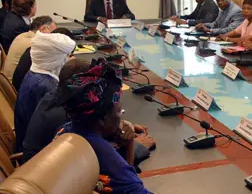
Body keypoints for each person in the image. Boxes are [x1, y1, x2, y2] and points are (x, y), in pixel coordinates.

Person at [57, 62, 162, 194]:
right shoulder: (105, 157)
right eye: (120, 110)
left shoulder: (66, 131)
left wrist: (129, 144)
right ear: (101, 120)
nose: (122, 115)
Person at [22, 58, 156, 163]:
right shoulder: (66, 120)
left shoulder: (55, 98)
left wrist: (117, 126)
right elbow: (110, 166)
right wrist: (136, 146)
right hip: (53, 184)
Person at [14, 32, 75, 151]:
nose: (68, 60)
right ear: (56, 59)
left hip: (26, 140)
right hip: (38, 154)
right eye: (66, 56)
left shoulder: (34, 74)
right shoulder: (48, 87)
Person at [2, 16, 56, 82]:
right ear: (43, 28)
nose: (54, 37)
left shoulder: (21, 36)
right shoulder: (36, 43)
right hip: (15, 87)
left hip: (5, 84)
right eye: (53, 33)